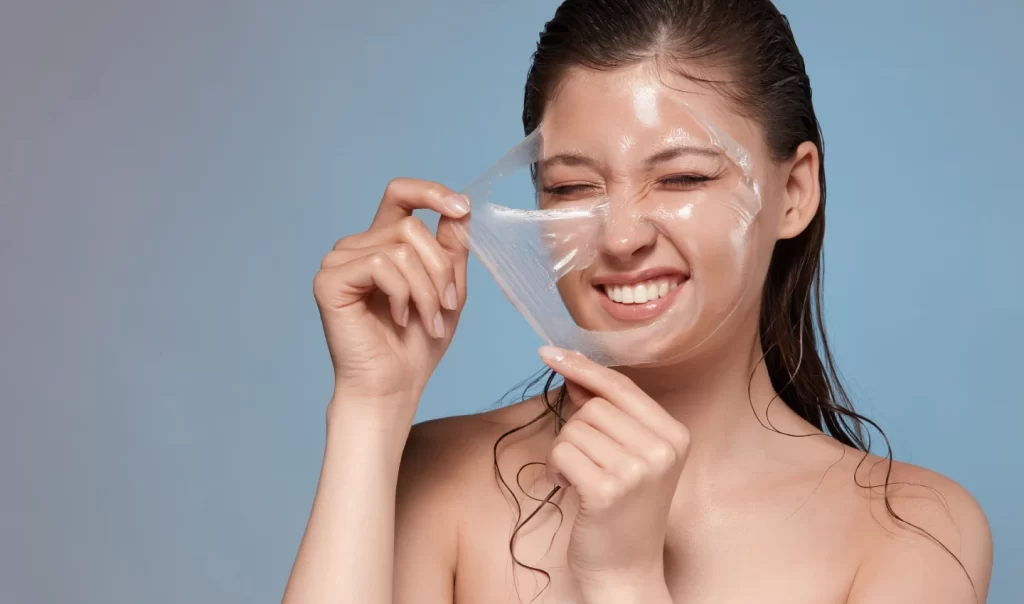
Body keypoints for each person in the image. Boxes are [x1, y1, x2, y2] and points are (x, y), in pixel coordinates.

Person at [282, 1, 993, 602]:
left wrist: (623, 579)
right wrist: (369, 409)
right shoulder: (442, 477)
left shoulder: (912, 529)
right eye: (570, 188)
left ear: (795, 191)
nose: (619, 237)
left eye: (682, 178)